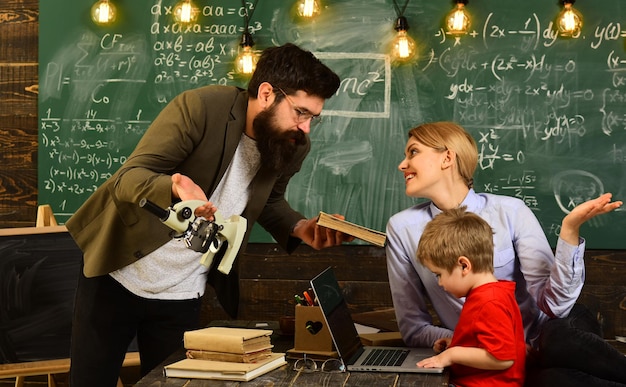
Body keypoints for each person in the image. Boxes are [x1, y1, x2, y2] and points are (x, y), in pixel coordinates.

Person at [65, 43, 354, 386]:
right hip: (118, 273)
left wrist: (300, 227)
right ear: (266, 94)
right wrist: (176, 184)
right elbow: (130, 178)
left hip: (183, 290)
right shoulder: (199, 107)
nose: (305, 128)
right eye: (301, 112)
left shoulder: (291, 143)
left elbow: (270, 202)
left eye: (312, 118)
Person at [385, 121, 626, 386]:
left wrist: (569, 230)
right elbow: (413, 327)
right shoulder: (402, 228)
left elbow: (555, 305)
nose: (402, 164)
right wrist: (480, 345)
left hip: (550, 332)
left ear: (447, 158)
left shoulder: (510, 211)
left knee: (560, 340)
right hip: (497, 356)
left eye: (413, 152)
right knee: (552, 381)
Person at [415, 207, 526, 386]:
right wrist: (456, 344)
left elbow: (502, 359)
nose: (440, 283)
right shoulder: (488, 294)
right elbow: (487, 342)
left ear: (464, 266)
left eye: (439, 274)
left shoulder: (490, 302)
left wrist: (453, 355)